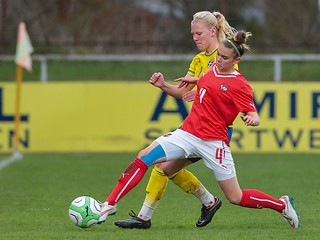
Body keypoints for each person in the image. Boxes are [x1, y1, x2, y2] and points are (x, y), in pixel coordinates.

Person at [98, 30, 301, 229]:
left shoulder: (240, 85)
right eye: (218, 55)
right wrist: (185, 82)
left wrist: (251, 119)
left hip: (214, 142)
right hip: (187, 134)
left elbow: (253, 113)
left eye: (223, 58)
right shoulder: (212, 69)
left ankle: (282, 205)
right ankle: (109, 205)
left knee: (236, 197)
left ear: (235, 61)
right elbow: (209, 80)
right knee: (145, 158)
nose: (218, 60)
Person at [114, 11, 237, 229]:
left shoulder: (225, 54)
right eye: (192, 34)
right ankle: (206, 203)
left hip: (214, 131)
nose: (195, 38)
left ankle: (207, 202)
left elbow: (227, 85)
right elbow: (183, 92)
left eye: (199, 33)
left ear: (213, 31)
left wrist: (201, 86)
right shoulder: (199, 59)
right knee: (164, 167)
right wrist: (163, 85)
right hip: (196, 127)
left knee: (163, 167)